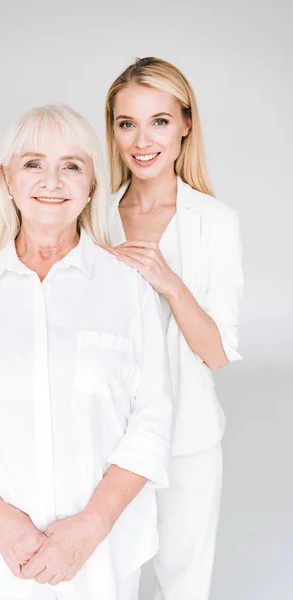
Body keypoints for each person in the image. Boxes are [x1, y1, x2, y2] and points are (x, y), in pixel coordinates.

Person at [0, 104, 173, 600]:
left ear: (91, 185)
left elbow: (153, 417)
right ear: (7, 180)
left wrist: (90, 528)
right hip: (3, 548)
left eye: (71, 166)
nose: (52, 180)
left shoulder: (126, 288)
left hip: (103, 546)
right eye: (33, 163)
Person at [105, 57, 243, 600]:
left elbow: (216, 353)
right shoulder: (92, 219)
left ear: (186, 123)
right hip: (108, 440)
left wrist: (169, 282)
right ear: (112, 129)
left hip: (188, 438)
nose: (143, 140)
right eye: (126, 123)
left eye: (160, 121)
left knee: (182, 586)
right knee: (106, 581)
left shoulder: (215, 221)